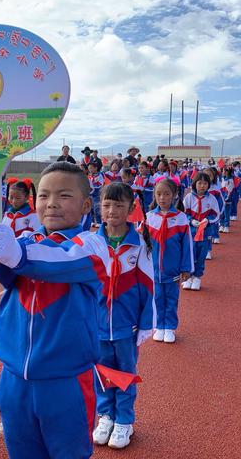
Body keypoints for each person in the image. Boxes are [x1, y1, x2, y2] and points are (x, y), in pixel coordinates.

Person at [0, 161, 110, 458]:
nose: (51, 204)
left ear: (85, 206)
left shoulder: (92, 245)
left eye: (64, 196)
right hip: (14, 379)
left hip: (66, 381)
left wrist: (17, 255)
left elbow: (56, 260)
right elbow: (7, 272)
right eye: (43, 196)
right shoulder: (29, 240)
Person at [92, 182, 154, 449]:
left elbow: (150, 286)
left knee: (125, 373)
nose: (112, 210)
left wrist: (145, 325)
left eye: (119, 205)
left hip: (126, 326)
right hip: (97, 324)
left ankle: (125, 421)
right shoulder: (92, 241)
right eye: (107, 204)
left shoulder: (140, 245)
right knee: (102, 372)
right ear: (99, 208)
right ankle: (106, 415)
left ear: (131, 208)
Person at [146, 178, 193, 343]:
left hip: (172, 269)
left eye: (166, 194)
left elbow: (187, 246)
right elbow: (141, 242)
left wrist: (186, 268)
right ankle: (159, 326)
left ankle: (170, 327)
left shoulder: (181, 218)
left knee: (172, 299)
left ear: (174, 196)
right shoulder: (149, 217)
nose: (162, 198)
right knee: (157, 299)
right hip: (153, 269)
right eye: (158, 194)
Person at [182, 172, 221, 291]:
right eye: (200, 183)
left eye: (205, 183)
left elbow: (216, 214)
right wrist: (191, 221)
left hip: (205, 232)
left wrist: (207, 220)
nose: (202, 186)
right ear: (195, 184)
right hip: (191, 231)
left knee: (201, 255)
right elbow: (184, 213)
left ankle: (197, 277)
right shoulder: (188, 197)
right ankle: (189, 277)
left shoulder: (211, 198)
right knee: (190, 254)